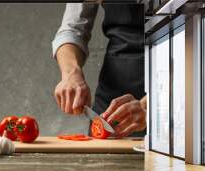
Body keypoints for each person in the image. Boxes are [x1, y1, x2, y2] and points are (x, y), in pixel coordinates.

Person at [52, 2, 147, 137]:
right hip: (113, 99)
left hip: (180, 92)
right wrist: (71, 73)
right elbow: (71, 30)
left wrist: (151, 105)